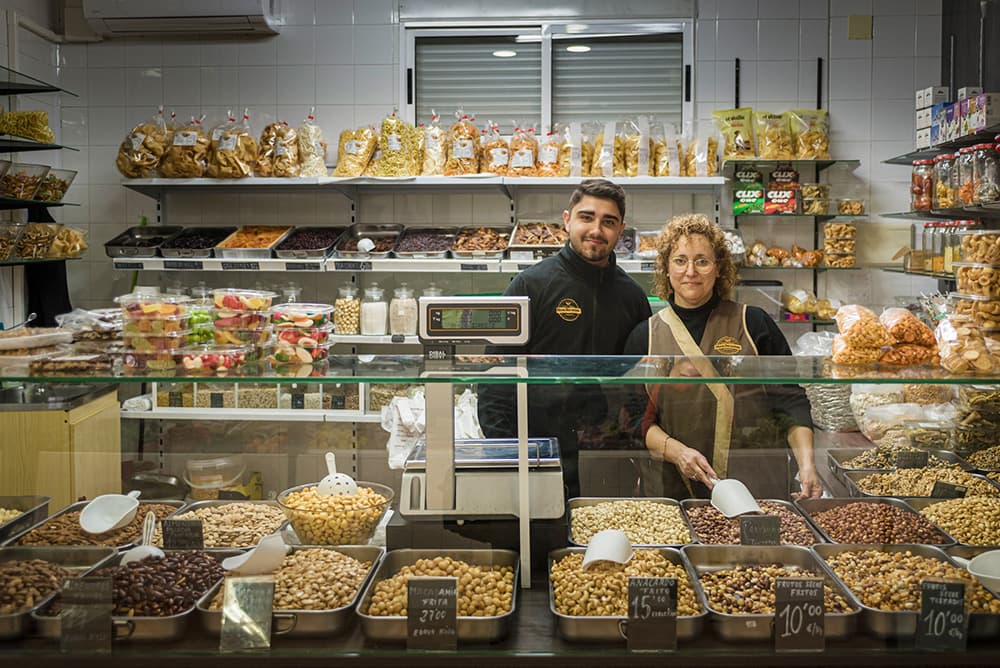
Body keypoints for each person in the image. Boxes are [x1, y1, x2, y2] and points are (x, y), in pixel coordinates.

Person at [623, 213, 823, 500]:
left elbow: (790, 401)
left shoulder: (754, 324)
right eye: (680, 260)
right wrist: (678, 453)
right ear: (666, 268)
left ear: (718, 268)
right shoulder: (644, 336)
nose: (690, 271)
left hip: (755, 483)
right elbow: (634, 421)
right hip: (674, 488)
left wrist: (807, 465)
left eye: (702, 261)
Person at [478, 178, 652, 498]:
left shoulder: (633, 297)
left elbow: (641, 385)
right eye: (587, 217)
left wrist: (636, 448)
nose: (596, 230)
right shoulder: (530, 285)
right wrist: (508, 457)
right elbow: (494, 379)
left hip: (607, 456)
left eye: (608, 222)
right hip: (537, 452)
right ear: (567, 220)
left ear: (621, 229)